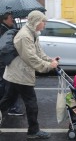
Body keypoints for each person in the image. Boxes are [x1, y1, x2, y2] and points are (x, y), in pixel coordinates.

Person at [0, 10, 59, 139]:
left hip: (16, 74)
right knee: (31, 103)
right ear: (37, 22)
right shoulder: (24, 36)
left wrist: (50, 60)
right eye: (43, 21)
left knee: (7, 101)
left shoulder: (33, 33)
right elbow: (31, 58)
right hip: (19, 74)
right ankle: (33, 130)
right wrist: (49, 66)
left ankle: (33, 129)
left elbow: (39, 52)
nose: (44, 24)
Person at [0, 12, 23, 116]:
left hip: (7, 61)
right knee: (9, 84)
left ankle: (11, 106)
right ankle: (12, 107)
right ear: (4, 19)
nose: (12, 19)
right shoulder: (2, 30)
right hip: (4, 62)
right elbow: (5, 47)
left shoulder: (9, 28)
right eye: (10, 18)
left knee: (9, 84)